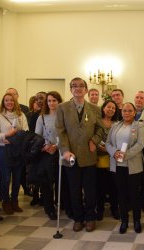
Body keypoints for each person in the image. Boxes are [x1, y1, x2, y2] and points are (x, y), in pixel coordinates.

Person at [56, 77, 103, 232]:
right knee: (74, 190)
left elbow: (100, 130)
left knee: (90, 190)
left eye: (81, 86)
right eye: (74, 86)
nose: (78, 88)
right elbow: (60, 131)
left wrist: (94, 141)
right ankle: (78, 218)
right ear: (71, 89)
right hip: (71, 157)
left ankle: (90, 218)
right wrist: (65, 150)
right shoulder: (62, 108)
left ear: (86, 89)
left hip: (89, 156)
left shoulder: (95, 109)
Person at [106, 102, 144, 234]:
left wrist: (125, 155)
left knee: (134, 195)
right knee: (121, 194)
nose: (127, 113)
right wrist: (115, 152)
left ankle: (136, 220)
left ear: (134, 113)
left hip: (133, 166)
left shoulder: (139, 125)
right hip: (118, 166)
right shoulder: (115, 125)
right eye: (124, 111)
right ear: (121, 112)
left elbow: (140, 144)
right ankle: (124, 220)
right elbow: (108, 143)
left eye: (130, 111)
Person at [0, 93, 29, 215]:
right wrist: (4, 137)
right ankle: (6, 202)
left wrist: (18, 139)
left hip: (18, 150)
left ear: (15, 101)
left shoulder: (21, 115)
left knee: (17, 178)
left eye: (11, 100)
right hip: (4, 149)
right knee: (6, 178)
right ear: (3, 102)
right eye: (6, 100)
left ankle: (14, 201)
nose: (9, 102)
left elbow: (26, 131)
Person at [34, 91, 63, 220]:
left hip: (60, 151)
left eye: (54, 100)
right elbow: (37, 136)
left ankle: (61, 204)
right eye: (49, 101)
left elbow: (66, 134)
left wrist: (56, 146)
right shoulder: (42, 117)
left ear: (59, 102)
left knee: (60, 181)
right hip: (46, 152)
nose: (51, 103)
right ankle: (49, 208)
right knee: (47, 182)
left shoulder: (63, 116)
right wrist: (46, 147)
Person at [95, 100, 120, 221]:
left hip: (114, 159)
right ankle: (99, 210)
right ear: (103, 108)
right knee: (100, 186)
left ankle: (114, 209)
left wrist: (111, 150)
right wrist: (101, 148)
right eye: (108, 107)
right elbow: (93, 137)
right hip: (99, 158)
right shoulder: (97, 122)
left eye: (113, 108)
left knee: (114, 186)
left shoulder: (118, 124)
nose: (111, 109)